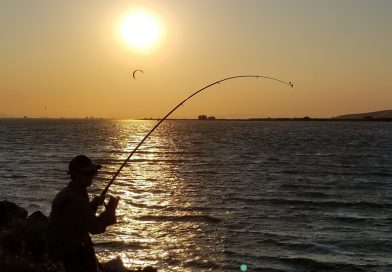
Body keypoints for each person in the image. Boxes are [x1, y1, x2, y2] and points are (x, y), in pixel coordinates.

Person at [47, 155, 120, 272]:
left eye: (93, 172)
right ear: (75, 174)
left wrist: (93, 205)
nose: (92, 176)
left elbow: (76, 219)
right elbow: (95, 227)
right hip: (72, 258)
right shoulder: (75, 199)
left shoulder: (69, 193)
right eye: (87, 173)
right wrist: (110, 211)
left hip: (67, 255)